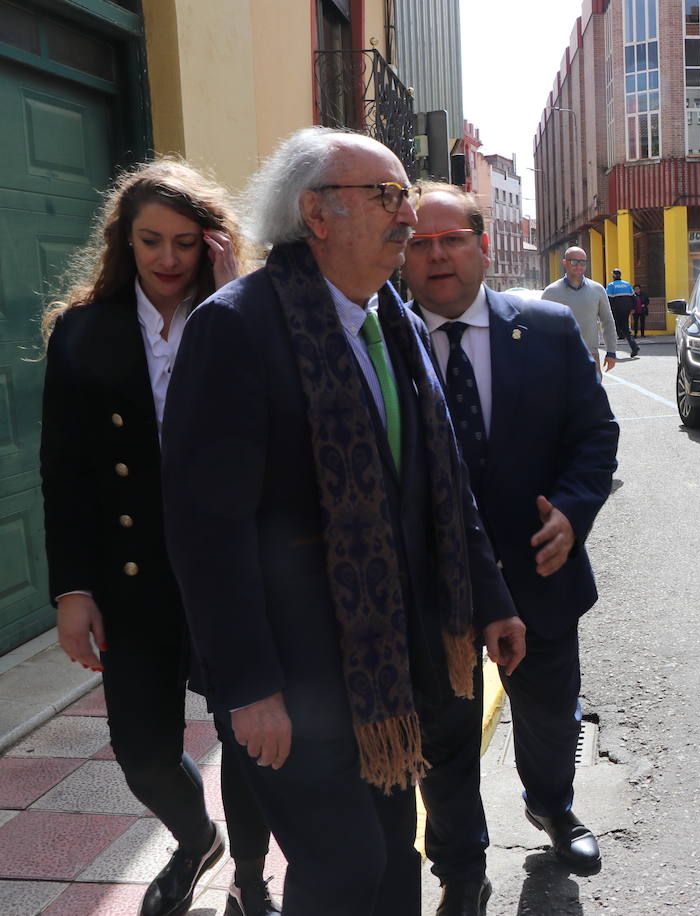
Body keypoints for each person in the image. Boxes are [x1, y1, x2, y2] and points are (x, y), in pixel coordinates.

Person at [160, 128, 526, 916]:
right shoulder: (238, 327)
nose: (408, 216)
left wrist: (490, 598)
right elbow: (207, 533)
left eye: (406, 196)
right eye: (387, 197)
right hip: (292, 680)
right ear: (316, 215)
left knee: (392, 859)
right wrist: (249, 687)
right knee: (345, 867)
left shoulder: (391, 316)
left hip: (388, 667)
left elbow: (441, 481)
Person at [39, 158, 279, 916]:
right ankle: (194, 838)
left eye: (185, 241)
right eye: (151, 241)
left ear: (213, 241)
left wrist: (236, 295)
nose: (169, 259)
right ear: (126, 241)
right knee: (142, 753)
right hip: (132, 575)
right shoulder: (84, 329)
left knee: (248, 741)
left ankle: (249, 879)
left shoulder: (248, 315)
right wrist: (73, 589)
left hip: (233, 574)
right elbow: (64, 471)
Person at [401, 184, 620, 904]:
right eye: (420, 243)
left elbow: (595, 437)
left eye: (452, 240)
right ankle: (461, 870)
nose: (437, 256)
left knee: (551, 717)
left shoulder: (548, 329)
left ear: (483, 245)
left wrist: (573, 513)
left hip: (538, 571)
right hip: (433, 586)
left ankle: (551, 807)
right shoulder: (381, 343)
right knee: (444, 737)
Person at [542, 247, 617, 374]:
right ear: (565, 262)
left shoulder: (597, 290)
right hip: (560, 356)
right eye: (574, 262)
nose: (578, 266)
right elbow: (542, 327)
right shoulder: (551, 292)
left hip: (590, 355)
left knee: (593, 387)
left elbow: (607, 322)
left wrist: (611, 352)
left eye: (582, 262)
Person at [604, 267, 640, 357]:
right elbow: (634, 298)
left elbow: (607, 299)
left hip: (616, 310)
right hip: (626, 310)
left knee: (614, 328)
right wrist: (633, 308)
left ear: (613, 275)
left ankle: (612, 351)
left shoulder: (611, 285)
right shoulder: (627, 284)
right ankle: (634, 346)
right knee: (625, 327)